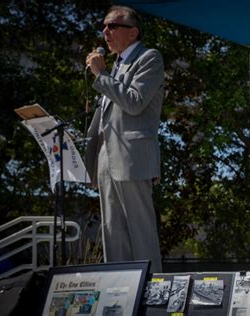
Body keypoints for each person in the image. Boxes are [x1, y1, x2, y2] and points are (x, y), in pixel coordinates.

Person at [84, 5, 163, 272]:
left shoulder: (149, 58)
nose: (105, 31)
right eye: (104, 26)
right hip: (106, 158)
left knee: (141, 234)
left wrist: (101, 75)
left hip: (132, 157)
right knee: (111, 233)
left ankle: (153, 301)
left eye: (112, 25)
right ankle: (117, 297)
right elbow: (106, 115)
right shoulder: (115, 65)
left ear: (132, 32)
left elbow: (134, 102)